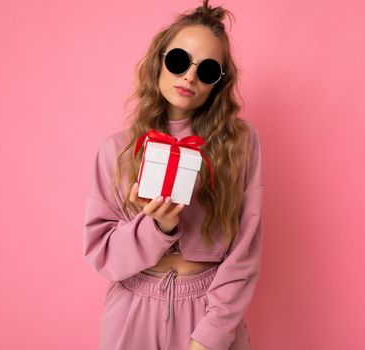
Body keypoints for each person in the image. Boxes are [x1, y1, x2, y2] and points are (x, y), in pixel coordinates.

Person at [82, 1, 265, 349]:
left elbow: (246, 250)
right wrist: (156, 228)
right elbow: (101, 254)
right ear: (159, 60)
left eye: (208, 70)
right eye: (179, 60)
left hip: (208, 309)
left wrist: (212, 335)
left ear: (218, 83)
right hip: (131, 313)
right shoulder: (116, 151)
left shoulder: (240, 143)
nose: (190, 76)